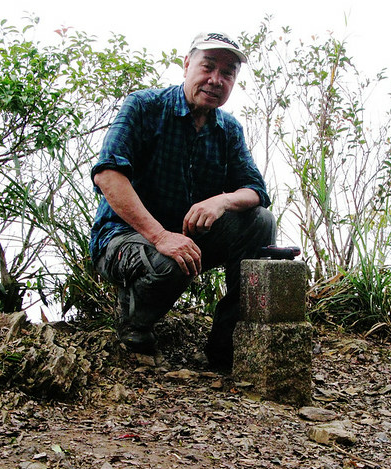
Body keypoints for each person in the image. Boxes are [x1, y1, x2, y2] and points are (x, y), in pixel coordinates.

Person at [89, 31, 275, 371]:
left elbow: (256, 191)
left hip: (186, 238)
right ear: (187, 65)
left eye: (228, 73)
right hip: (125, 238)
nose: (216, 80)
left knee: (260, 221)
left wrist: (221, 201)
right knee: (170, 259)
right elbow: (108, 175)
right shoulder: (144, 106)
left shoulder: (229, 129)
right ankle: (135, 321)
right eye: (208, 67)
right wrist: (161, 236)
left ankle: (226, 346)